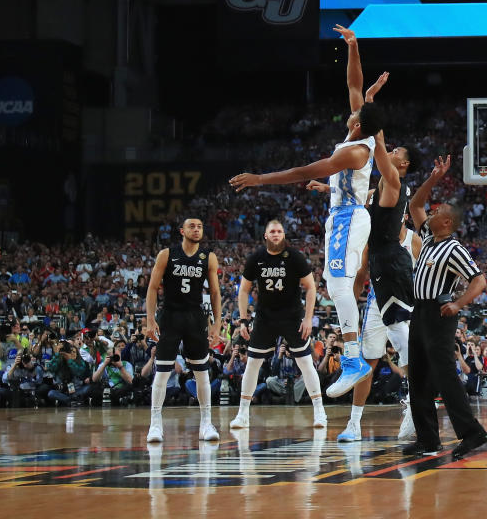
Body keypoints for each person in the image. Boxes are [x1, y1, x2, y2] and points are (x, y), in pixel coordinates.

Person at [229, 25, 387, 399]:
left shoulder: (355, 150)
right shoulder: (357, 132)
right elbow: (354, 85)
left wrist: (259, 179)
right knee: (339, 284)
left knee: (337, 284)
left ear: (360, 122)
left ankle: (352, 358)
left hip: (349, 216)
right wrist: (353, 46)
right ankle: (353, 357)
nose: (353, 107)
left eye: (359, 110)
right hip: (345, 213)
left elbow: (303, 171)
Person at [401, 154, 487, 460]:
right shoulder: (427, 237)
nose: (432, 211)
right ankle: (428, 439)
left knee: (444, 377)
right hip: (419, 313)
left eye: (437, 211)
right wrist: (434, 178)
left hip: (440, 315)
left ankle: (473, 433)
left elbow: (479, 281)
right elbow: (414, 205)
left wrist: (457, 304)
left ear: (448, 222)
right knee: (419, 376)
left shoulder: (454, 248)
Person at [337, 132, 418, 443]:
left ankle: (414, 407)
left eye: (399, 149)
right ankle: (354, 424)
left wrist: (378, 132)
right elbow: (363, 198)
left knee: (406, 347)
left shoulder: (410, 236)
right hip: (377, 292)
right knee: (368, 361)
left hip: (399, 284)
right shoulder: (376, 208)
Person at [228, 218, 327, 431]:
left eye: (279, 231)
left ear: (283, 235)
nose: (276, 234)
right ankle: (242, 414)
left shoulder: (295, 257)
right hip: (265, 317)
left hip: (292, 317)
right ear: (266, 235)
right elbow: (243, 290)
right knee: (253, 363)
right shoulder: (256, 258)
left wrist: (308, 318)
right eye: (272, 231)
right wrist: (244, 319)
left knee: (305, 363)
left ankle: (320, 412)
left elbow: (311, 287)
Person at [143, 216, 222, 442]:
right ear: (181, 231)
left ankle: (206, 424)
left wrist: (217, 323)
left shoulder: (209, 257)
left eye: (199, 226)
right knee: (162, 370)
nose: (196, 229)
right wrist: (150, 319)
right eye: (191, 226)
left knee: (201, 371)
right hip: (169, 315)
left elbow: (215, 293)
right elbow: (152, 288)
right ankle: (155, 424)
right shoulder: (167, 254)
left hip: (195, 316)